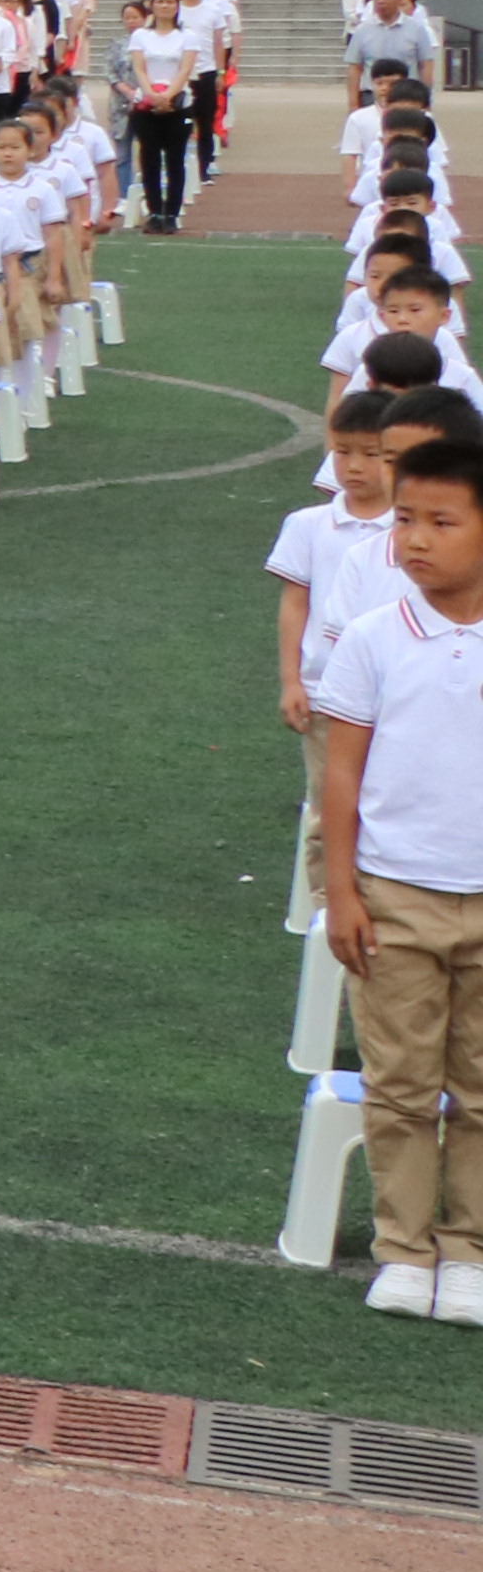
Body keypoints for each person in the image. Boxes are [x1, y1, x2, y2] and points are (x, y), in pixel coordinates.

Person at [311, 427, 483, 1324]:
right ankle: (405, 1248)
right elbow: (341, 772)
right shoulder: (377, 636)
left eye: (441, 521)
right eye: (405, 518)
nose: (413, 538)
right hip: (395, 895)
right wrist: (340, 891)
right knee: (403, 1083)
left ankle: (471, 1251)